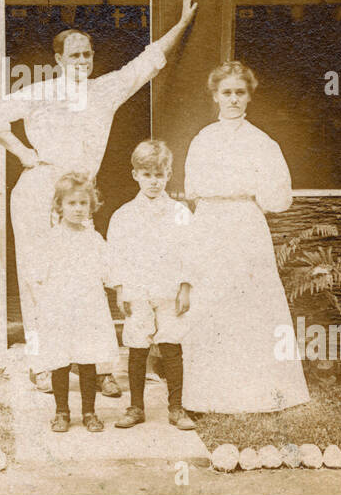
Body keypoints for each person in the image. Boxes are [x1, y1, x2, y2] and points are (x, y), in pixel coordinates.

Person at [0, 0, 199, 393]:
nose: (82, 60)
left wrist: (183, 24)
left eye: (87, 54)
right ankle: (43, 364)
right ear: (59, 60)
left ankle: (95, 367)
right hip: (38, 191)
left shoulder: (104, 91)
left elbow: (148, 62)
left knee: (85, 277)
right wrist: (25, 154)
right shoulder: (41, 91)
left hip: (78, 196)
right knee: (40, 277)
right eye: (74, 54)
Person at [181, 61, 309, 414]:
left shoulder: (262, 143)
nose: (233, 99)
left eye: (240, 93)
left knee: (251, 305)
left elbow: (278, 197)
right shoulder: (202, 140)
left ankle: (260, 392)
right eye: (227, 93)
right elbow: (194, 189)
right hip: (210, 225)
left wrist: (250, 195)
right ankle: (210, 395)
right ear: (215, 96)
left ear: (249, 96)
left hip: (246, 225)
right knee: (213, 302)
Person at [106, 140, 197, 430]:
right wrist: (121, 288)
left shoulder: (181, 214)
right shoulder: (123, 216)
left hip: (169, 288)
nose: (154, 181)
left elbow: (190, 251)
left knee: (171, 345)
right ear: (136, 175)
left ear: (169, 174)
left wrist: (185, 287)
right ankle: (135, 407)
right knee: (137, 346)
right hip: (137, 289)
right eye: (147, 174)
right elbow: (115, 256)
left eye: (159, 174)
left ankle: (176, 407)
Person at [25, 173, 119, 433]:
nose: (78, 209)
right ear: (60, 206)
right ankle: (62, 412)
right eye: (72, 203)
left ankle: (89, 411)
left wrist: (119, 288)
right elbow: (36, 277)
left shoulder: (94, 239)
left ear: (91, 206)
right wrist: (44, 307)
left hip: (88, 308)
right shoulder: (50, 240)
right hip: (59, 308)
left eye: (83, 204)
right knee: (60, 361)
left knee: (88, 360)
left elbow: (108, 271)